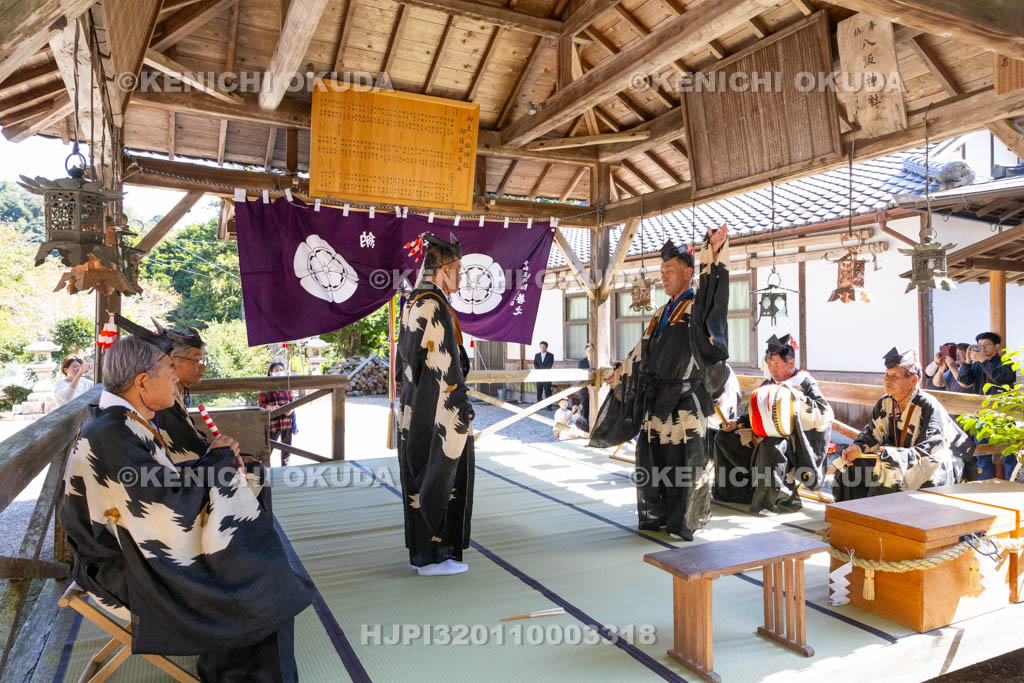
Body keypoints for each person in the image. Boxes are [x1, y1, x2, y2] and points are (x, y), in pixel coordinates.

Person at [58, 335, 312, 682]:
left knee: (253, 520)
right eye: (169, 370)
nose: (175, 377)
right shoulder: (112, 434)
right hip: (124, 570)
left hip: (133, 551)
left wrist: (217, 460)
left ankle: (235, 665)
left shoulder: (122, 422)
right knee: (255, 579)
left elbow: (159, 485)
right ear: (142, 382)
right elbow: (167, 507)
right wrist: (218, 460)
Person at [589, 225, 730, 541]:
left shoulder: (695, 307)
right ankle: (659, 517)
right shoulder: (661, 312)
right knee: (654, 460)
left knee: (685, 463)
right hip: (656, 401)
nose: (663, 277)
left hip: (685, 401)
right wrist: (621, 373)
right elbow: (642, 350)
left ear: (688, 274)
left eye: (669, 271)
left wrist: (713, 253)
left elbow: (714, 296)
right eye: (661, 272)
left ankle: (684, 522)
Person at [396, 232, 475, 576]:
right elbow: (447, 366)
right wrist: (462, 406)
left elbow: (404, 362)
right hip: (437, 407)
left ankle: (427, 555)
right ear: (443, 270)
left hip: (415, 403)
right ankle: (436, 556)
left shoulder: (413, 301)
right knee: (441, 476)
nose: (460, 278)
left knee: (420, 473)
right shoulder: (435, 306)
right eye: (458, 270)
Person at [832, 347, 974, 501]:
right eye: (887, 375)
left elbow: (931, 446)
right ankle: (851, 512)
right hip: (900, 456)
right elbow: (872, 434)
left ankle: (881, 514)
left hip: (931, 463)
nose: (887, 380)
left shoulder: (928, 405)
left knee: (889, 469)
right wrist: (857, 448)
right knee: (851, 465)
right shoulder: (885, 402)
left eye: (894, 376)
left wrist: (895, 456)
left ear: (913, 380)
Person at [714, 335, 833, 513]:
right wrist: (737, 423)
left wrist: (794, 398)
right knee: (723, 437)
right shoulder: (769, 383)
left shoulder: (804, 382)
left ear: (791, 363)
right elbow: (753, 411)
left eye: (776, 364)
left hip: (794, 440)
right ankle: (739, 493)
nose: (771, 369)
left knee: (772, 445)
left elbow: (824, 412)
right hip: (761, 434)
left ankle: (772, 502)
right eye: (769, 364)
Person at [258, 362, 295, 467]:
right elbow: (260, 404)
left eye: (281, 370)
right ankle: (264, 469)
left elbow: (292, 400)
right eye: (276, 370)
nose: (279, 372)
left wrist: (290, 410)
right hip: (272, 423)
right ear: (270, 373)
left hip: (287, 422)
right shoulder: (265, 388)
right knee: (268, 448)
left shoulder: (287, 386)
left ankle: (285, 469)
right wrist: (271, 408)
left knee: (287, 449)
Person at [576, 343, 594, 424]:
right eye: (588, 351)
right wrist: (588, 386)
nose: (589, 352)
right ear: (585, 352)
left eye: (591, 351)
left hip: (595, 386)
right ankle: (585, 423)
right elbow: (580, 375)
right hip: (584, 387)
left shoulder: (596, 361)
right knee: (585, 405)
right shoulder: (582, 362)